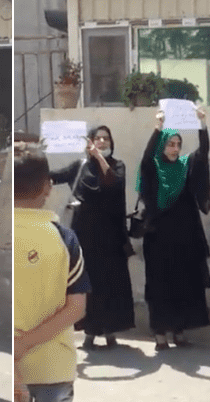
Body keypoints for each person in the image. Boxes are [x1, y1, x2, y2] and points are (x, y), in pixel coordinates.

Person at [14, 146, 90, 402]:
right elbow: (76, 308)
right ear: (47, 187)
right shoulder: (65, 239)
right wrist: (27, 344)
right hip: (54, 367)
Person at [50, 125, 134, 349]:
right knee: (89, 283)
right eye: (98, 138)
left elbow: (112, 182)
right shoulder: (80, 166)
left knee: (111, 284)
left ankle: (110, 332)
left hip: (112, 237)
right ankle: (89, 333)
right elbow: (53, 177)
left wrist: (99, 158)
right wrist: (35, 155)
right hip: (86, 237)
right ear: (90, 142)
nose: (102, 142)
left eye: (106, 139)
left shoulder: (117, 166)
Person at [138, 108, 210, 351]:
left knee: (183, 285)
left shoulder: (185, 166)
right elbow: (146, 158)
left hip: (185, 240)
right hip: (158, 240)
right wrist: (157, 128)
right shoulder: (155, 168)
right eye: (170, 143)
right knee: (160, 287)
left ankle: (179, 331)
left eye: (178, 144)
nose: (174, 148)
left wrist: (202, 125)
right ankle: (160, 334)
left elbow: (202, 154)